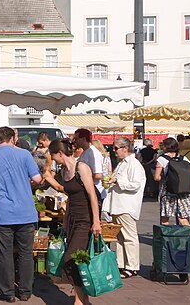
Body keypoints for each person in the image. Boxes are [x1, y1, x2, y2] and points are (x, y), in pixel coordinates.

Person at [0, 127, 42, 303]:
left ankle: (8, 292)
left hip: (2, 212)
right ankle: (26, 291)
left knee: (5, 254)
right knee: (26, 253)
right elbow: (37, 179)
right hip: (26, 212)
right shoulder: (24, 155)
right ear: (12, 139)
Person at [42, 139, 101, 305]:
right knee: (77, 259)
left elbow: (92, 196)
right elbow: (65, 190)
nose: (53, 160)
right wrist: (47, 177)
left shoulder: (81, 167)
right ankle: (83, 299)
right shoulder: (64, 171)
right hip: (72, 218)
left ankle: (80, 301)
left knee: (71, 259)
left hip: (85, 219)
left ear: (60, 153)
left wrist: (96, 222)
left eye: (54, 157)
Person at [102, 137, 146, 279]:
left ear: (125, 149)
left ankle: (132, 266)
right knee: (120, 237)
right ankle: (122, 264)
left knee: (129, 237)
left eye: (116, 148)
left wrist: (117, 181)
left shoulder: (134, 164)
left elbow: (135, 185)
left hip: (126, 206)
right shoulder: (122, 163)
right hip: (118, 205)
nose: (113, 151)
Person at [155, 137, 190, 226]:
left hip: (169, 191)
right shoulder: (183, 158)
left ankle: (166, 237)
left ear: (165, 147)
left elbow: (157, 177)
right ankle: (187, 237)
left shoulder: (161, 159)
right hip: (184, 190)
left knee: (165, 217)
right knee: (183, 218)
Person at [73, 128, 104, 200]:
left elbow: (98, 175)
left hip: (95, 192)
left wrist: (83, 179)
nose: (75, 141)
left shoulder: (93, 153)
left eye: (76, 139)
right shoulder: (85, 152)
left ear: (83, 139)